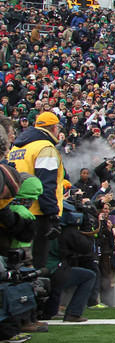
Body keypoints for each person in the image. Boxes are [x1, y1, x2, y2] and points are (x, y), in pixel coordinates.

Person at [7, 111, 66, 270]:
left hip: (15, 210)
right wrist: (53, 215)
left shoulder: (16, 148)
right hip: (38, 214)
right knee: (36, 266)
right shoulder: (45, 148)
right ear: (54, 128)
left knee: (16, 263)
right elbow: (46, 185)